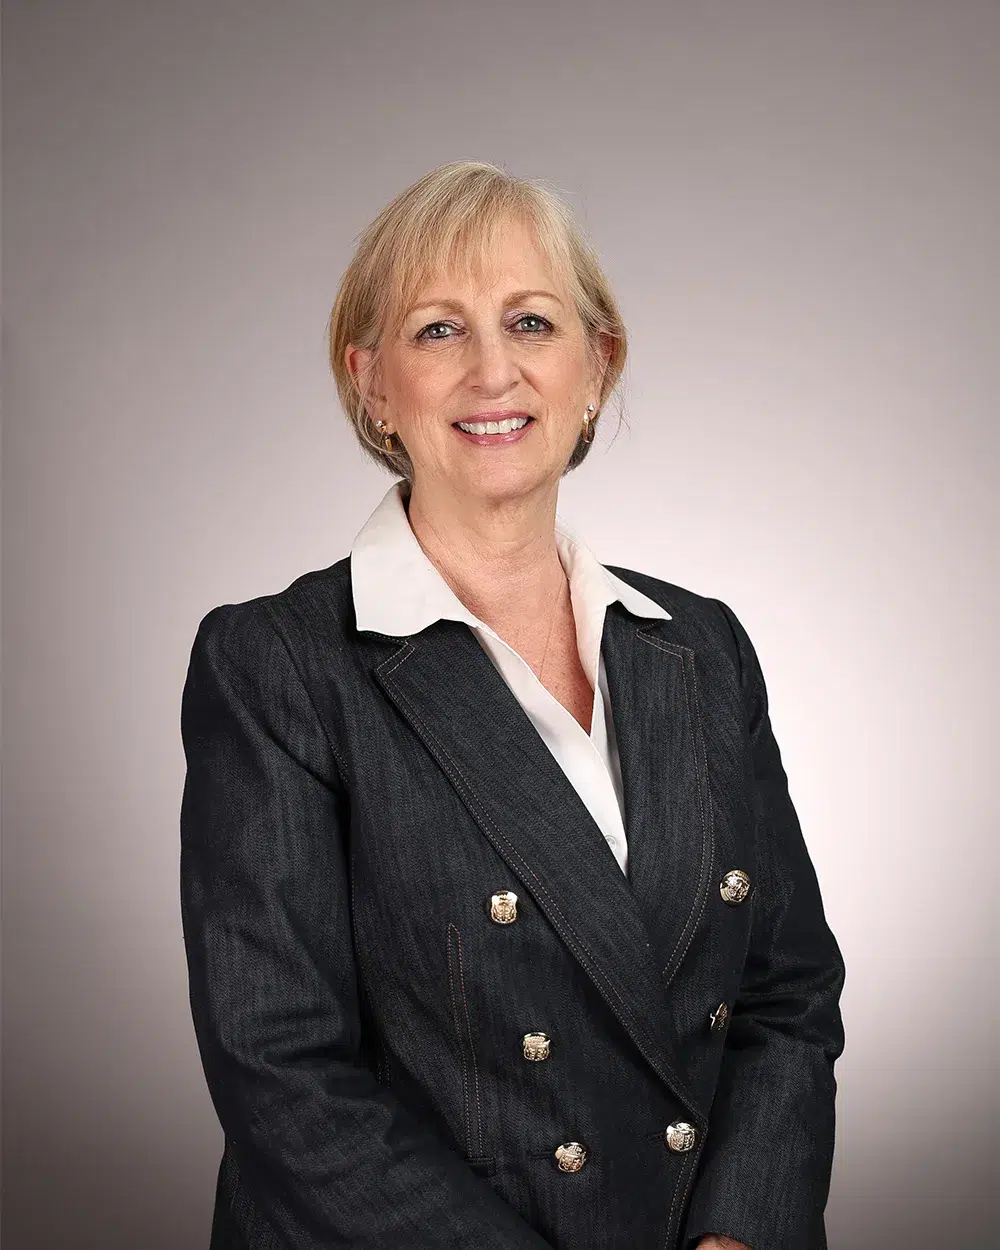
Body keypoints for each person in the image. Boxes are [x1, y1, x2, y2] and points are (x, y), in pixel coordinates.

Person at [180, 160, 846, 1250]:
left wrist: (742, 1233)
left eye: (530, 322)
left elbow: (786, 997)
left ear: (596, 366)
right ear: (371, 383)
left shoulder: (704, 647)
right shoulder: (276, 664)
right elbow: (282, 1071)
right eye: (438, 331)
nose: (493, 371)